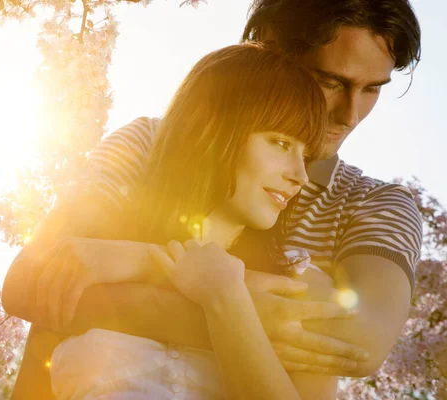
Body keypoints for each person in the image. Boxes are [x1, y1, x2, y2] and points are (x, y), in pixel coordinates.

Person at [3, 0, 423, 398]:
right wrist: (242, 304)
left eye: (372, 90)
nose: (350, 115)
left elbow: (355, 343)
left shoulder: (374, 205)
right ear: (269, 50)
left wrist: (148, 267)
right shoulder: (148, 144)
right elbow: (34, 282)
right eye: (332, 82)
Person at [48, 43, 335, 400]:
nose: (301, 176)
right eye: (280, 143)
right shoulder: (100, 250)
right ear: (211, 129)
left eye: (306, 155)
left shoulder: (302, 287)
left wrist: (227, 295)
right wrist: (151, 263)